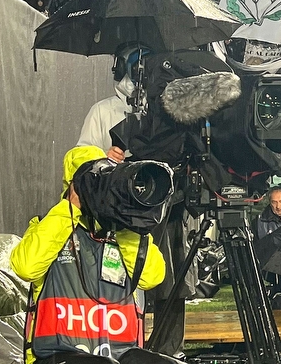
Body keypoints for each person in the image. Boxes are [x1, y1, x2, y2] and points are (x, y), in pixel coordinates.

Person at [11, 146, 167, 364]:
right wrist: (70, 207)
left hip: (120, 354)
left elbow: (152, 277)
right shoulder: (51, 226)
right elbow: (25, 267)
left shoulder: (124, 232)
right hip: (56, 354)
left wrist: (126, 222)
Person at [77, 45, 150, 161]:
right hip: (114, 178)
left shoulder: (165, 113)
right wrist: (105, 157)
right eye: (138, 66)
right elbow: (82, 162)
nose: (143, 70)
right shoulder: (102, 111)